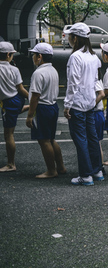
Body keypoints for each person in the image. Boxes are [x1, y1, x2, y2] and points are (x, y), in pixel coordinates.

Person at [63, 23, 103, 185]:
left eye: (70, 36)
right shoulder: (94, 57)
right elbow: (95, 81)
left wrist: (67, 105)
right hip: (90, 103)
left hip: (77, 104)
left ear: (76, 38)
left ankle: (85, 175)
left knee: (80, 139)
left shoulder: (76, 57)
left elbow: (73, 83)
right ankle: (97, 170)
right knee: (92, 138)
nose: (69, 39)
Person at [25, 43, 66, 178]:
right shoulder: (53, 70)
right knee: (51, 139)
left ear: (40, 57)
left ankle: (51, 170)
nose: (33, 57)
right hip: (52, 106)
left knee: (44, 140)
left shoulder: (38, 73)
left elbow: (36, 96)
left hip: (42, 109)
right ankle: (60, 167)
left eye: (34, 55)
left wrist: (30, 115)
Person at [0, 41, 28, 173]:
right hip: (17, 99)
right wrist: (32, 98)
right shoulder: (14, 69)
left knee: (8, 134)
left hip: (8, 103)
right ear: (8, 55)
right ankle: (29, 107)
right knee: (15, 112)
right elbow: (21, 89)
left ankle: (11, 164)